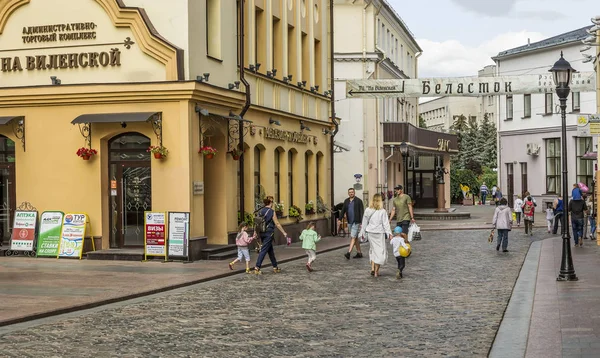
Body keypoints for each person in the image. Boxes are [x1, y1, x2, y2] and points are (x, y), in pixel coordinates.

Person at [251, 196, 288, 274]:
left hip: (261, 232)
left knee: (270, 250)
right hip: (269, 233)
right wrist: (284, 232)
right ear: (271, 202)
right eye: (273, 202)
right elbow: (277, 223)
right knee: (264, 250)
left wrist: (255, 232)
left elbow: (257, 223)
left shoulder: (260, 211)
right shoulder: (271, 211)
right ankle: (257, 267)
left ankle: (275, 267)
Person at [359, 193, 392, 278]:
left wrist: (363, 232)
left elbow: (364, 222)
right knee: (380, 251)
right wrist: (389, 234)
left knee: (373, 250)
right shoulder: (382, 211)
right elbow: (386, 224)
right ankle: (376, 271)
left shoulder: (367, 210)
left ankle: (372, 268)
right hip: (379, 233)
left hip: (370, 232)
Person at [339, 188, 365, 259]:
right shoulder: (346, 201)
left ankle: (348, 253)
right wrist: (340, 219)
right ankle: (359, 253)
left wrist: (362, 222)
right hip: (349, 221)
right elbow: (343, 210)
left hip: (356, 221)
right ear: (348, 193)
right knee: (355, 237)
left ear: (354, 193)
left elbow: (362, 211)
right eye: (350, 192)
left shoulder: (358, 201)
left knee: (353, 237)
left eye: (352, 192)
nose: (351, 193)